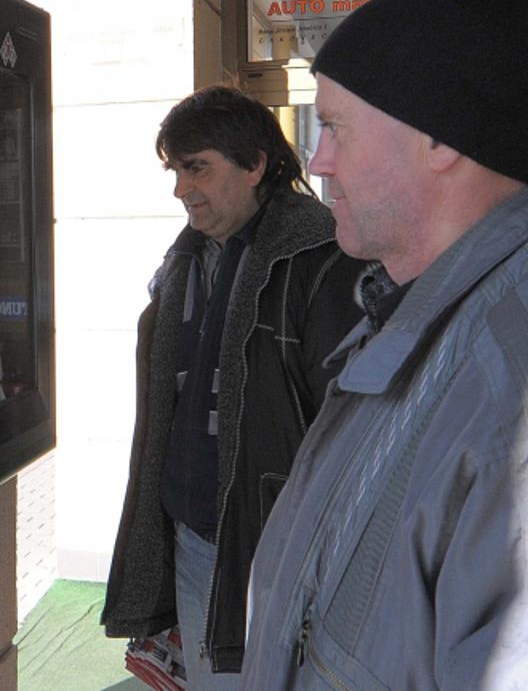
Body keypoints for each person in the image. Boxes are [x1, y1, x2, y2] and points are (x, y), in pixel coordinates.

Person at [241, 0, 528, 689]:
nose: (317, 160)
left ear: (442, 138)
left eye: (335, 125)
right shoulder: (408, 313)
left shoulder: (510, 391)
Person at [101, 86, 364, 687]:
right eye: (175, 170)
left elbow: (352, 426)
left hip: (283, 551)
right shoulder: (185, 261)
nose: (180, 189)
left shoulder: (325, 259)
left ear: (254, 166)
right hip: (195, 541)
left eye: (197, 168)